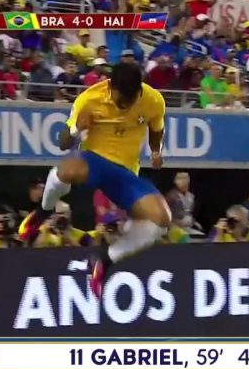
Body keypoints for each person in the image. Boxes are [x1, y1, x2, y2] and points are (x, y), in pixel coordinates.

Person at [20, 63, 171, 298]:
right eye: (121, 101)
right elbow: (62, 143)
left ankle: (105, 260)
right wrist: (76, 130)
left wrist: (156, 151)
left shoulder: (153, 100)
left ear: (139, 90)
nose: (125, 106)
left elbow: (156, 129)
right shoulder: (89, 99)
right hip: (94, 162)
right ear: (111, 87)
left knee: (162, 220)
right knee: (66, 170)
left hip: (125, 174)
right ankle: (43, 211)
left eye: (130, 100)